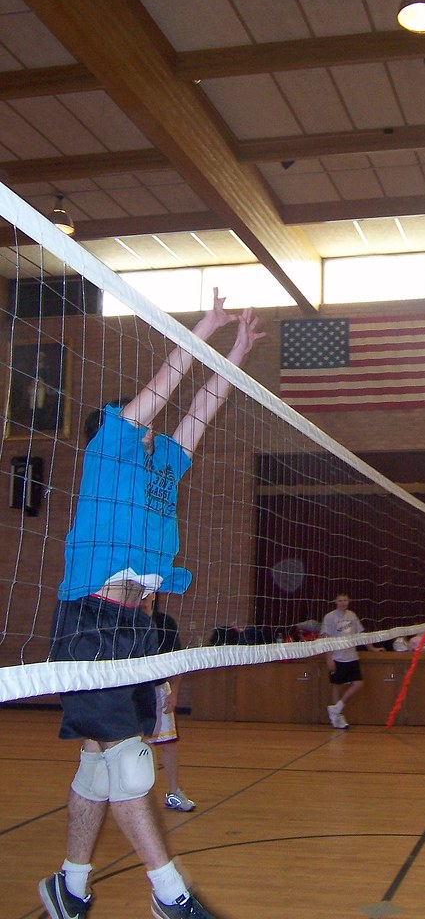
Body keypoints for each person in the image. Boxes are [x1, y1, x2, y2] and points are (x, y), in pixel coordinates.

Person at [40, 291, 265, 919]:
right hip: (91, 619)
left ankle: (70, 883)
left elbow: (201, 407)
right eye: (128, 414)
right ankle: (171, 894)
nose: (143, 419)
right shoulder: (108, 450)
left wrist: (239, 348)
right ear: (112, 427)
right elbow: (167, 387)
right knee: (132, 765)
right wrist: (206, 327)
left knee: (98, 763)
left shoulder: (161, 465)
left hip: (136, 625)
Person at [140, 594, 196, 811]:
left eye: (147, 593)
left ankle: (174, 792)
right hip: (133, 692)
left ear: (153, 596)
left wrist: (174, 694)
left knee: (168, 744)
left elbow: (177, 662)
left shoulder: (165, 623)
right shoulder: (125, 622)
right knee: (134, 745)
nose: (143, 598)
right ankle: (136, 796)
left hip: (159, 690)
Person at [320, 593, 382, 729]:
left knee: (359, 683)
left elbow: (361, 634)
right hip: (337, 657)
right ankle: (338, 718)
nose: (343, 602)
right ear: (335, 601)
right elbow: (326, 639)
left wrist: (371, 648)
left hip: (352, 657)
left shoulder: (352, 615)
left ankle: (336, 709)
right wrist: (329, 658)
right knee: (337, 686)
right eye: (340, 600)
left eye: (345, 600)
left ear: (348, 601)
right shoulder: (330, 617)